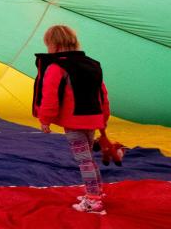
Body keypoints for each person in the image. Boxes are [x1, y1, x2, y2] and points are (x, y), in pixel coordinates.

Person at [34, 25, 110, 216]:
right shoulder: (93, 64)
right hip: (92, 119)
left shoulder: (56, 67)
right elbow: (103, 94)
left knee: (83, 161)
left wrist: (45, 119)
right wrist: (104, 118)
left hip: (74, 122)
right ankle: (97, 191)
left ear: (54, 45)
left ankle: (94, 200)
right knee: (89, 158)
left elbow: (50, 97)